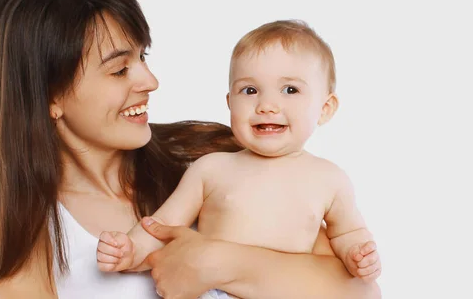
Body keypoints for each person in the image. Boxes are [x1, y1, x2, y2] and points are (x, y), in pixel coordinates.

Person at [0, 0, 381, 299]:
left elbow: (360, 291)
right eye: (120, 69)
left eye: (143, 56)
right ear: (51, 96)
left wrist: (217, 261)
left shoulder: (215, 156)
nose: (150, 80)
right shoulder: (32, 234)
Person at [96, 20, 382, 298]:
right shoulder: (212, 168)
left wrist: (359, 254)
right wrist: (131, 251)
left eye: (290, 90)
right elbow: (164, 225)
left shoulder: (329, 179)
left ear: (325, 108)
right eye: (250, 90)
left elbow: (348, 233)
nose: (267, 106)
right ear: (230, 102)